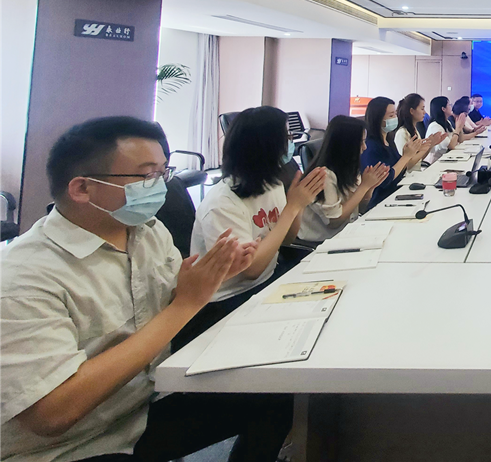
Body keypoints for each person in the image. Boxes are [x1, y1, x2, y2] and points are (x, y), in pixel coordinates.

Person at [0, 116, 292, 462]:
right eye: (146, 176)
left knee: (273, 392)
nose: (160, 187)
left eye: (163, 173)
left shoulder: (149, 232)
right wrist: (185, 303)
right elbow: (52, 413)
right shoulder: (23, 277)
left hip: (142, 409)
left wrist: (209, 278)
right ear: (82, 188)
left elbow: (171, 304)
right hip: (72, 446)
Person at [182, 106, 327, 344]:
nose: (291, 143)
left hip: (269, 280)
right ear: (266, 146)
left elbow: (287, 239)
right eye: (286, 138)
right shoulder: (222, 204)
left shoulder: (272, 184)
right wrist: (292, 207)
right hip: (228, 300)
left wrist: (299, 203)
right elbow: (250, 271)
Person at [298, 116, 391, 243]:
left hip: (347, 233)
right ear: (346, 145)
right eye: (361, 142)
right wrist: (363, 187)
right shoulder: (324, 175)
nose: (364, 147)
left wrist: (369, 188)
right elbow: (334, 221)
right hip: (322, 242)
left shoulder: (348, 167)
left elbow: (360, 209)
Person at [362, 96, 440, 205]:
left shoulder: (388, 140)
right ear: (378, 118)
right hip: (383, 200)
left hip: (396, 194)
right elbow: (386, 179)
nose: (395, 117)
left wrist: (420, 150)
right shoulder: (371, 147)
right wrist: (407, 156)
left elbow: (401, 168)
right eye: (391, 115)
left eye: (395, 114)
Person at [393, 93, 442, 170]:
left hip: (416, 174)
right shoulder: (402, 133)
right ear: (412, 111)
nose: (424, 112)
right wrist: (425, 148)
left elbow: (419, 160)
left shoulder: (414, 130)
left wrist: (430, 145)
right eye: (422, 109)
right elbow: (405, 165)